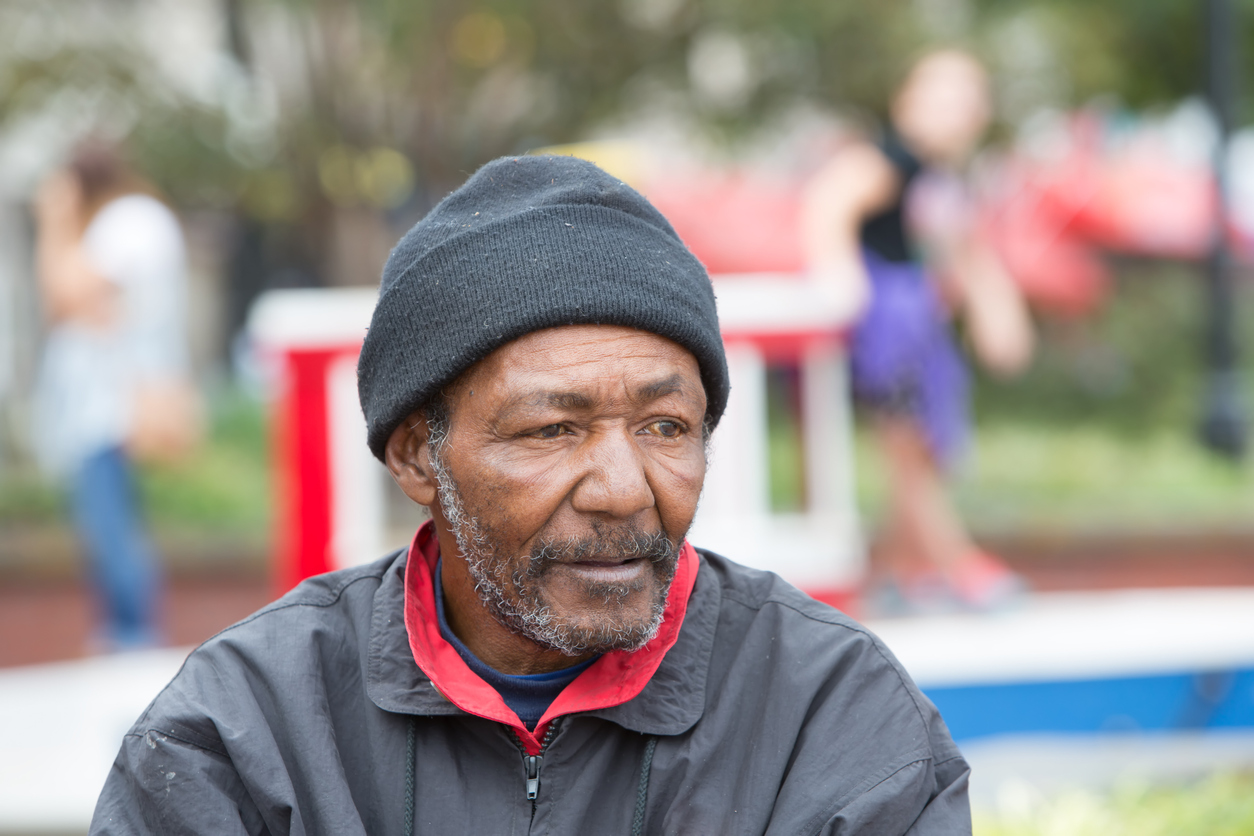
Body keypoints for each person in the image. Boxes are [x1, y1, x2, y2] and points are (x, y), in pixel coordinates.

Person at [91, 155, 970, 834]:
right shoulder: (247, 731)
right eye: (553, 430)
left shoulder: (830, 714)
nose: (624, 490)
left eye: (666, 427)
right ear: (415, 456)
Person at [802, 49, 1035, 613]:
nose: (956, 113)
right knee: (907, 446)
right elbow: (828, 204)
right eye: (942, 98)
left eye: (967, 102)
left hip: (919, 326)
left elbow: (967, 251)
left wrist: (997, 311)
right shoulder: (887, 161)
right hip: (885, 327)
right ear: (906, 101)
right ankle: (961, 564)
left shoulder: (944, 180)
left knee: (919, 444)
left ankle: (894, 571)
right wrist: (838, 274)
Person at [32, 142, 196, 651]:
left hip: (113, 406)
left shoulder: (129, 220)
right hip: (111, 403)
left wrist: (54, 221)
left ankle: (133, 640)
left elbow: (62, 294)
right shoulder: (131, 221)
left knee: (112, 528)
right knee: (111, 524)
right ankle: (128, 637)